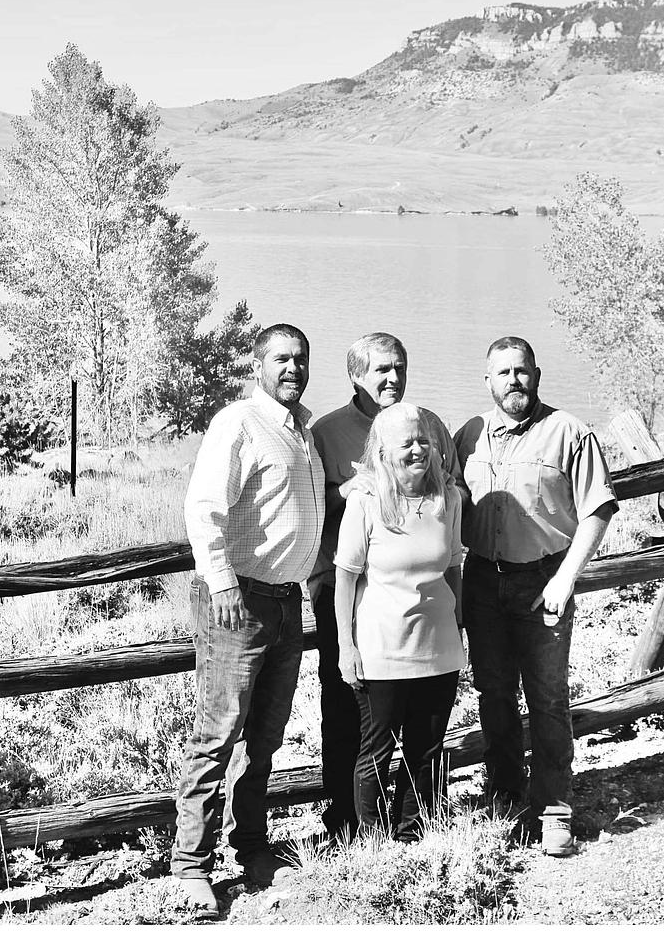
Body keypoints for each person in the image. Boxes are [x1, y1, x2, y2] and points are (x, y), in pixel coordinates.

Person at [171, 323, 325, 918]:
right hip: (238, 601)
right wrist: (222, 583)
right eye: (280, 358)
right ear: (258, 364)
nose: (292, 368)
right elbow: (204, 506)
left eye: (300, 359)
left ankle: (251, 844)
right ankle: (192, 864)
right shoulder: (239, 422)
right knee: (218, 733)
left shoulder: (303, 430)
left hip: (285, 602)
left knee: (265, 736)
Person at [453, 336, 617, 857]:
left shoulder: (569, 432)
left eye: (521, 370)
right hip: (482, 579)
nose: (514, 381)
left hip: (544, 579)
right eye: (503, 373)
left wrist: (566, 577)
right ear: (488, 381)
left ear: (537, 374)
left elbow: (598, 510)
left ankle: (553, 810)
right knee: (493, 693)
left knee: (547, 698)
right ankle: (505, 794)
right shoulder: (468, 436)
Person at [309, 332, 461, 840]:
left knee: (419, 722)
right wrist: (347, 490)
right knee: (349, 715)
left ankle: (413, 822)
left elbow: (450, 489)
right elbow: (307, 504)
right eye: (381, 369)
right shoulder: (327, 432)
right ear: (356, 376)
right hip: (343, 587)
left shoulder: (428, 425)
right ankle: (347, 822)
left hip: (419, 596)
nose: (393, 377)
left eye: (400, 367)